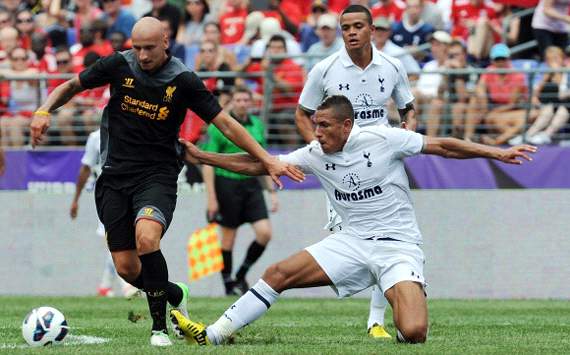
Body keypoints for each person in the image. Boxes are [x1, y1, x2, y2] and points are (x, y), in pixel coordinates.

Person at [172, 94, 536, 346]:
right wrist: (203, 157)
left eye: (325, 126)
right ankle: (214, 334)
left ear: (347, 126)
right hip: (350, 242)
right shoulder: (316, 153)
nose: (317, 133)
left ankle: (400, 297)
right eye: (316, 125)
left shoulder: (385, 139)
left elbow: (442, 146)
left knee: (414, 333)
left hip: (398, 246)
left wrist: (497, 152)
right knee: (277, 274)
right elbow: (262, 164)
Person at [29, 16, 304, 346]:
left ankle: (159, 328)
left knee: (147, 238)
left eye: (149, 48)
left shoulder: (183, 80)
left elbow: (226, 124)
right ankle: (175, 292)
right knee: (128, 270)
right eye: (137, 48)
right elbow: (72, 85)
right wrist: (44, 109)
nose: (142, 55)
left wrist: (267, 159)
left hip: (157, 175)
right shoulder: (117, 65)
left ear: (165, 43)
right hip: (115, 176)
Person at [295, 4, 416, 339]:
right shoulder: (324, 69)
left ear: (371, 30)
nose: (350, 32)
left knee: (387, 235)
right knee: (354, 236)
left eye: (358, 26)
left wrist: (407, 136)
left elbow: (408, 107)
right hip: (343, 166)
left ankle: (377, 320)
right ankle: (400, 299)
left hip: (383, 164)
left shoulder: (392, 66)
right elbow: (303, 113)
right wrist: (318, 150)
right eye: (345, 26)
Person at [202, 86, 278, 296]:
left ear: (251, 103)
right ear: (232, 102)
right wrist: (211, 198)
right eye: (239, 100)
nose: (243, 103)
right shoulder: (218, 126)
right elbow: (207, 163)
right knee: (228, 238)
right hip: (227, 184)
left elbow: (263, 160)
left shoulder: (257, 125)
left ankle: (241, 274)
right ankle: (228, 284)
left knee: (264, 233)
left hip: (252, 185)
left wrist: (271, 192)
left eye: (246, 100)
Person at [70, 129, 139, 298]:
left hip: (135, 193)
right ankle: (128, 287)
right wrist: (75, 199)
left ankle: (105, 286)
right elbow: (85, 169)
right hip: (109, 196)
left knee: (129, 242)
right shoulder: (95, 137)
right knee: (115, 242)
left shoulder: (135, 130)